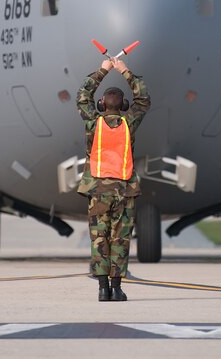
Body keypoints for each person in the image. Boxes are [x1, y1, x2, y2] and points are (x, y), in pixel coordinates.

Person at [76, 56, 151, 301]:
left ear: (100, 104)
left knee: (100, 238)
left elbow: (82, 95)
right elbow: (144, 99)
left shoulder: (92, 123)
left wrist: (103, 70)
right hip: (124, 189)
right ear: (124, 105)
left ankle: (101, 289)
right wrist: (125, 70)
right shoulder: (129, 123)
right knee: (120, 238)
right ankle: (117, 288)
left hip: (97, 189)